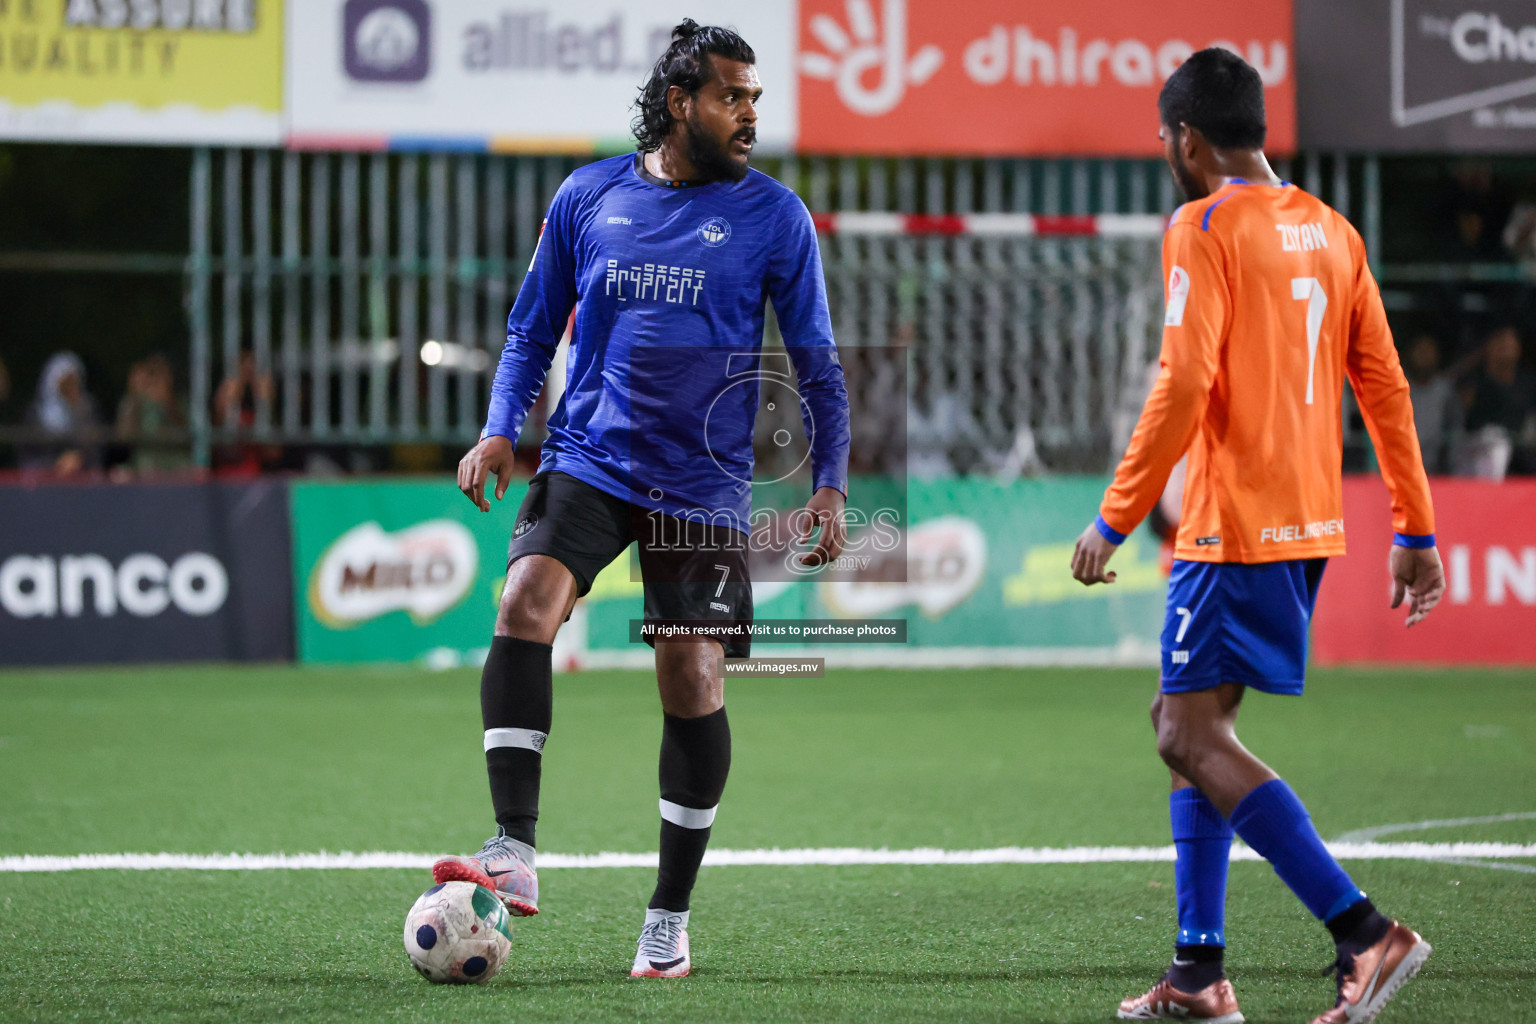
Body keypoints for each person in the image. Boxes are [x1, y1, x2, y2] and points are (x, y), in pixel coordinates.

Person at [435, 20, 849, 980]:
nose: (750, 114)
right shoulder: (589, 195)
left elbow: (819, 367)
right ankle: (514, 847)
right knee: (524, 602)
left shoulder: (776, 216)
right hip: (589, 458)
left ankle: (667, 915)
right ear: (680, 103)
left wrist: (830, 483)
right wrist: (502, 426)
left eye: (755, 97)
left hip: (701, 485)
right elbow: (532, 330)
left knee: (690, 681)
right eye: (731, 96)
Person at [1069, 50, 1444, 1024]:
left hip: (1232, 525)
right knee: (1192, 732)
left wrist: (1116, 513)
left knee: (1183, 730)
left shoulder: (1202, 223)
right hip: (1309, 526)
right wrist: (1415, 522)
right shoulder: (1333, 229)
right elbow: (1386, 384)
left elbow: (1182, 381)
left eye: (1165, 141)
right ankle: (1198, 975)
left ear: (1187, 142)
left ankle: (1364, 930)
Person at [21, 351, 102, 475]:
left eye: (74, 381)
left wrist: (78, 457)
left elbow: (94, 448)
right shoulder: (35, 412)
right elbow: (28, 454)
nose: (70, 386)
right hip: (43, 477)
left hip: (80, 475)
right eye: (66, 381)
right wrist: (56, 463)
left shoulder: (87, 408)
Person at [116, 354, 190, 475]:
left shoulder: (181, 402)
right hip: (145, 463)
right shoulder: (136, 401)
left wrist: (168, 403)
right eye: (153, 374)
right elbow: (123, 436)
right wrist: (135, 397)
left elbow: (187, 434)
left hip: (175, 463)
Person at [1404, 334, 1461, 475]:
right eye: (1420, 351)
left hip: (1436, 468)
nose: (1424, 356)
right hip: (1401, 465)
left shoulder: (1444, 390)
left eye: (1429, 351)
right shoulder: (1399, 386)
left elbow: (1455, 428)